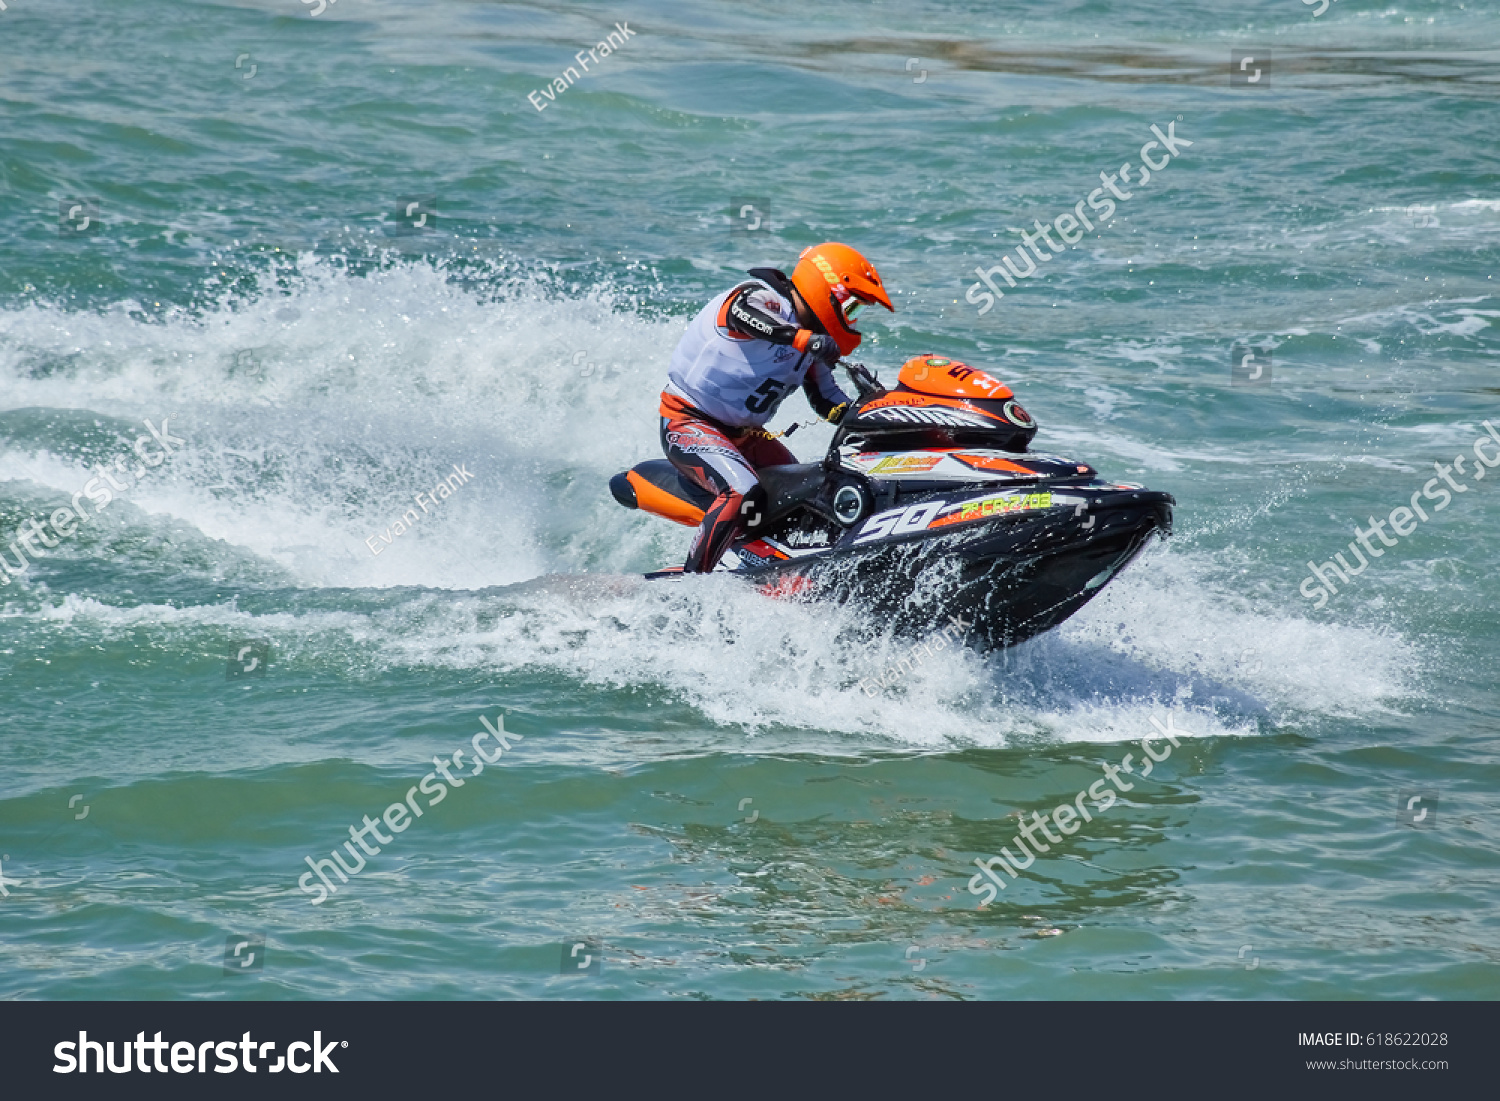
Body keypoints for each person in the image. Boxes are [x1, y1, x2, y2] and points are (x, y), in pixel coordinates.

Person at [660, 242, 894, 572]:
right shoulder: (764, 298)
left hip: (748, 438)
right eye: (852, 308)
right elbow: (740, 313)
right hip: (688, 420)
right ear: (827, 291)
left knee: (810, 493)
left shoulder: (811, 344)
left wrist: (877, 414)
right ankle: (694, 583)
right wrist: (805, 340)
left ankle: (777, 569)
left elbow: (828, 403)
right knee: (741, 491)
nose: (853, 319)